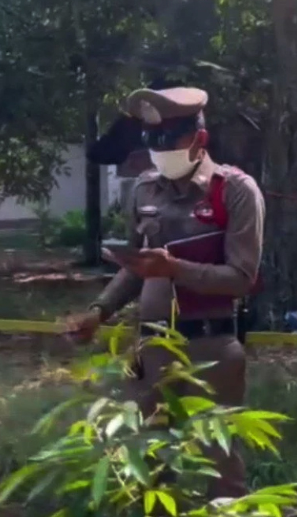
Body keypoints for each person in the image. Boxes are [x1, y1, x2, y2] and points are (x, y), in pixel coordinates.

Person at [65, 86, 265, 499]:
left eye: (168, 141)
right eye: (150, 142)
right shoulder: (143, 190)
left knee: (220, 464)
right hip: (151, 348)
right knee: (148, 462)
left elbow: (241, 277)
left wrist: (174, 268)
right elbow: (136, 268)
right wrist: (99, 311)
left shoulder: (236, 191)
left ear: (199, 140)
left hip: (210, 347)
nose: (158, 152)